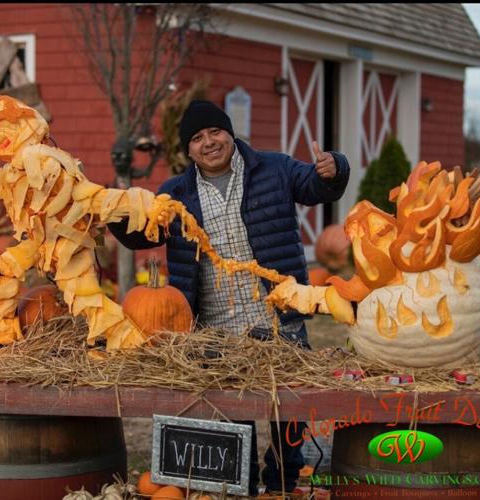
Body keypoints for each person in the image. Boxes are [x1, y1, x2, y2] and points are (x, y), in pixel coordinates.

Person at [108, 100, 350, 496]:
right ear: (188, 150)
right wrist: (113, 212)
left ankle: (283, 485)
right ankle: (240, 488)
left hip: (278, 320)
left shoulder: (274, 169)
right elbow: (144, 235)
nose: (209, 143)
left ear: (230, 132)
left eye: (215, 132)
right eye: (198, 138)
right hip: (214, 330)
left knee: (286, 413)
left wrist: (334, 167)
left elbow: (315, 185)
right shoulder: (175, 194)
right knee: (231, 418)